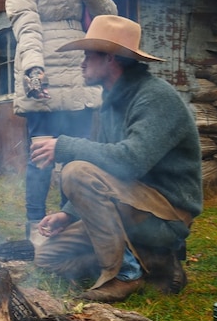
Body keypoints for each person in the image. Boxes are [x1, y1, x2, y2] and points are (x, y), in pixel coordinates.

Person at [29, 15, 203, 302]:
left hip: (166, 213)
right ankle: (152, 260)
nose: (82, 63)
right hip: (127, 202)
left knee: (74, 171)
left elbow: (131, 161)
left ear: (110, 58)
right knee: (46, 257)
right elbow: (102, 167)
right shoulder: (111, 102)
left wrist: (64, 146)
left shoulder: (156, 97)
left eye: (88, 55)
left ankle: (126, 273)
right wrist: (68, 213)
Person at [4, 0, 118, 240]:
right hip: (41, 73)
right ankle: (34, 230)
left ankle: (70, 226)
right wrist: (33, 68)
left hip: (78, 71)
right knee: (41, 157)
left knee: (75, 156)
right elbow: (26, 25)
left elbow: (107, 19)